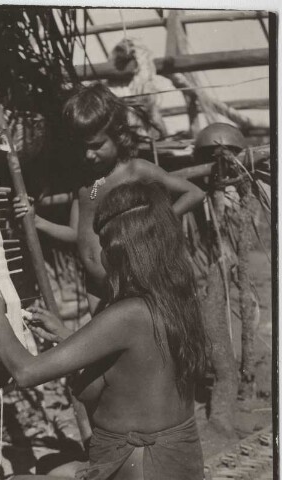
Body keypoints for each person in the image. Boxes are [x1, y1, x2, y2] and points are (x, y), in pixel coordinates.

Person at [0, 180, 206, 480]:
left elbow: (26, 373)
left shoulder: (127, 314)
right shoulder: (175, 301)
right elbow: (134, 362)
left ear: (122, 254)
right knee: (55, 470)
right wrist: (68, 336)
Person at [14, 83, 205, 310]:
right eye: (82, 147)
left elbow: (194, 192)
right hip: (95, 287)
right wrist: (37, 221)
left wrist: (157, 219)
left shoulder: (135, 170)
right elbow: (76, 233)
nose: (88, 155)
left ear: (119, 135)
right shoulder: (86, 184)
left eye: (97, 146)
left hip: (132, 284)